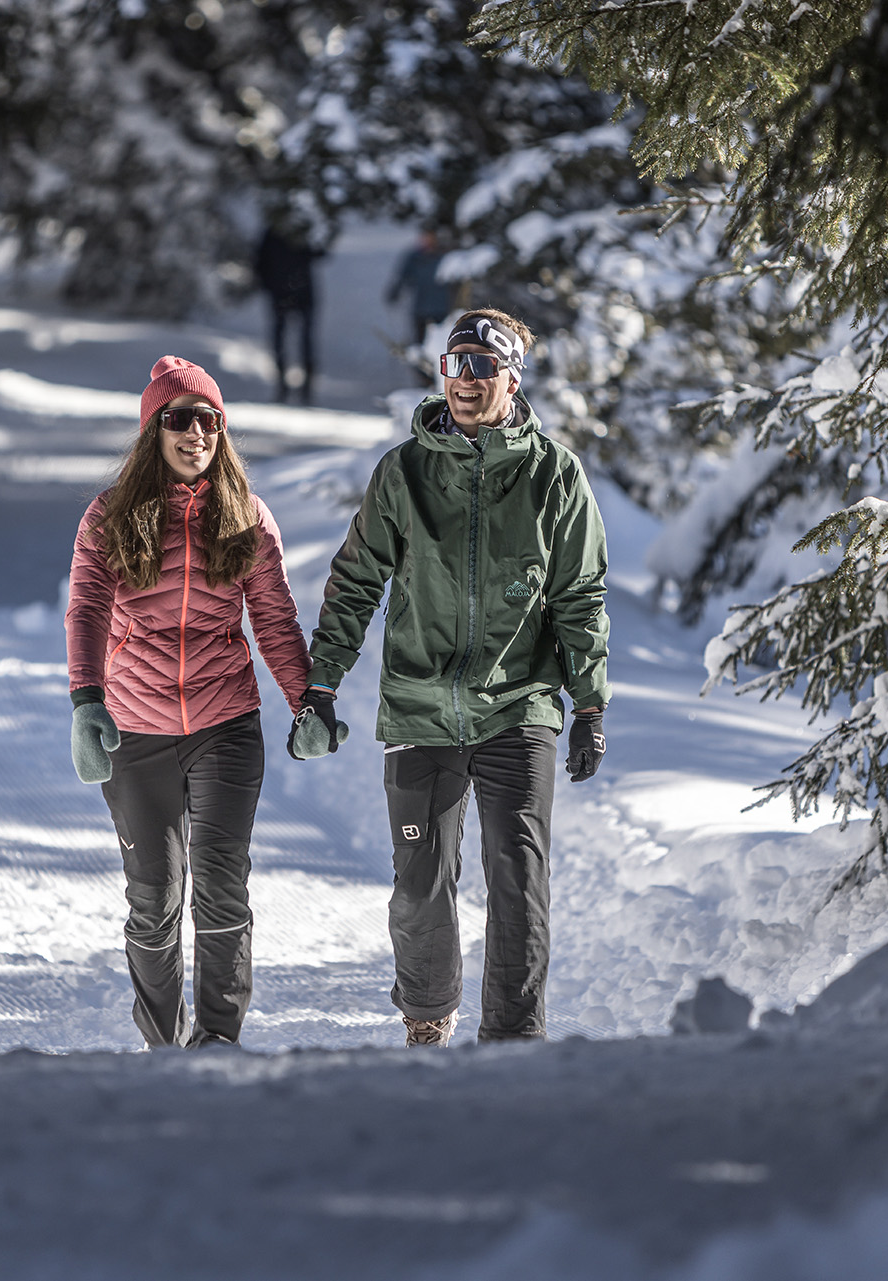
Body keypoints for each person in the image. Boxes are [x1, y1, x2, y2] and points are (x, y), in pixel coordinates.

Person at [292, 309, 611, 1049]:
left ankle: (512, 1036)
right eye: (452, 365)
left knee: (518, 879)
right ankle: (428, 1017)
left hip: (518, 705)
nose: (463, 382)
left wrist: (589, 702)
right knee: (420, 887)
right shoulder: (404, 473)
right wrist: (323, 684)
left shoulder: (554, 475)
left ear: (511, 378)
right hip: (419, 704)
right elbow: (354, 582)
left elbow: (579, 595)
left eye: (480, 367)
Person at [64, 356, 343, 1049]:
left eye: (210, 419)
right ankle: (164, 1039)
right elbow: (88, 610)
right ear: (152, 429)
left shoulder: (244, 515)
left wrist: (306, 700)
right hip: (137, 728)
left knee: (221, 885)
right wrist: (87, 699)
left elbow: (275, 619)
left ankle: (218, 1037)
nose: (197, 433)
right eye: (180, 418)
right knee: (154, 897)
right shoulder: (109, 516)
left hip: (225, 723)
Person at [255, 221, 320, 404]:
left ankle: (303, 386)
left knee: (299, 339)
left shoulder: (298, 229)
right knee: (287, 339)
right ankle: (285, 384)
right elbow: (260, 262)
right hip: (286, 292)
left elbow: (319, 252)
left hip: (294, 291)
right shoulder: (277, 231)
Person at [385, 229, 452, 347]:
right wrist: (395, 292)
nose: (427, 241)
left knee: (441, 341)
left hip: (442, 309)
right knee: (420, 341)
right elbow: (403, 276)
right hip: (420, 308)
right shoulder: (414, 257)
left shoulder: (446, 257)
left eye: (431, 238)